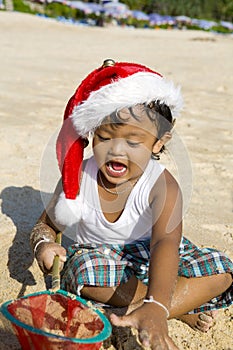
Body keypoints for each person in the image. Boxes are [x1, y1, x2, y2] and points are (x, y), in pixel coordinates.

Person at [30, 59, 233, 350]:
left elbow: (165, 243)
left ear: (158, 143)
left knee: (222, 271)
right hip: (102, 261)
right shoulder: (78, 178)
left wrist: (157, 303)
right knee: (86, 273)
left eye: (133, 142)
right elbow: (45, 226)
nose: (116, 150)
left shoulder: (163, 185)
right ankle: (171, 308)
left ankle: (152, 310)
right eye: (104, 137)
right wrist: (43, 245)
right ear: (91, 133)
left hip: (155, 255)